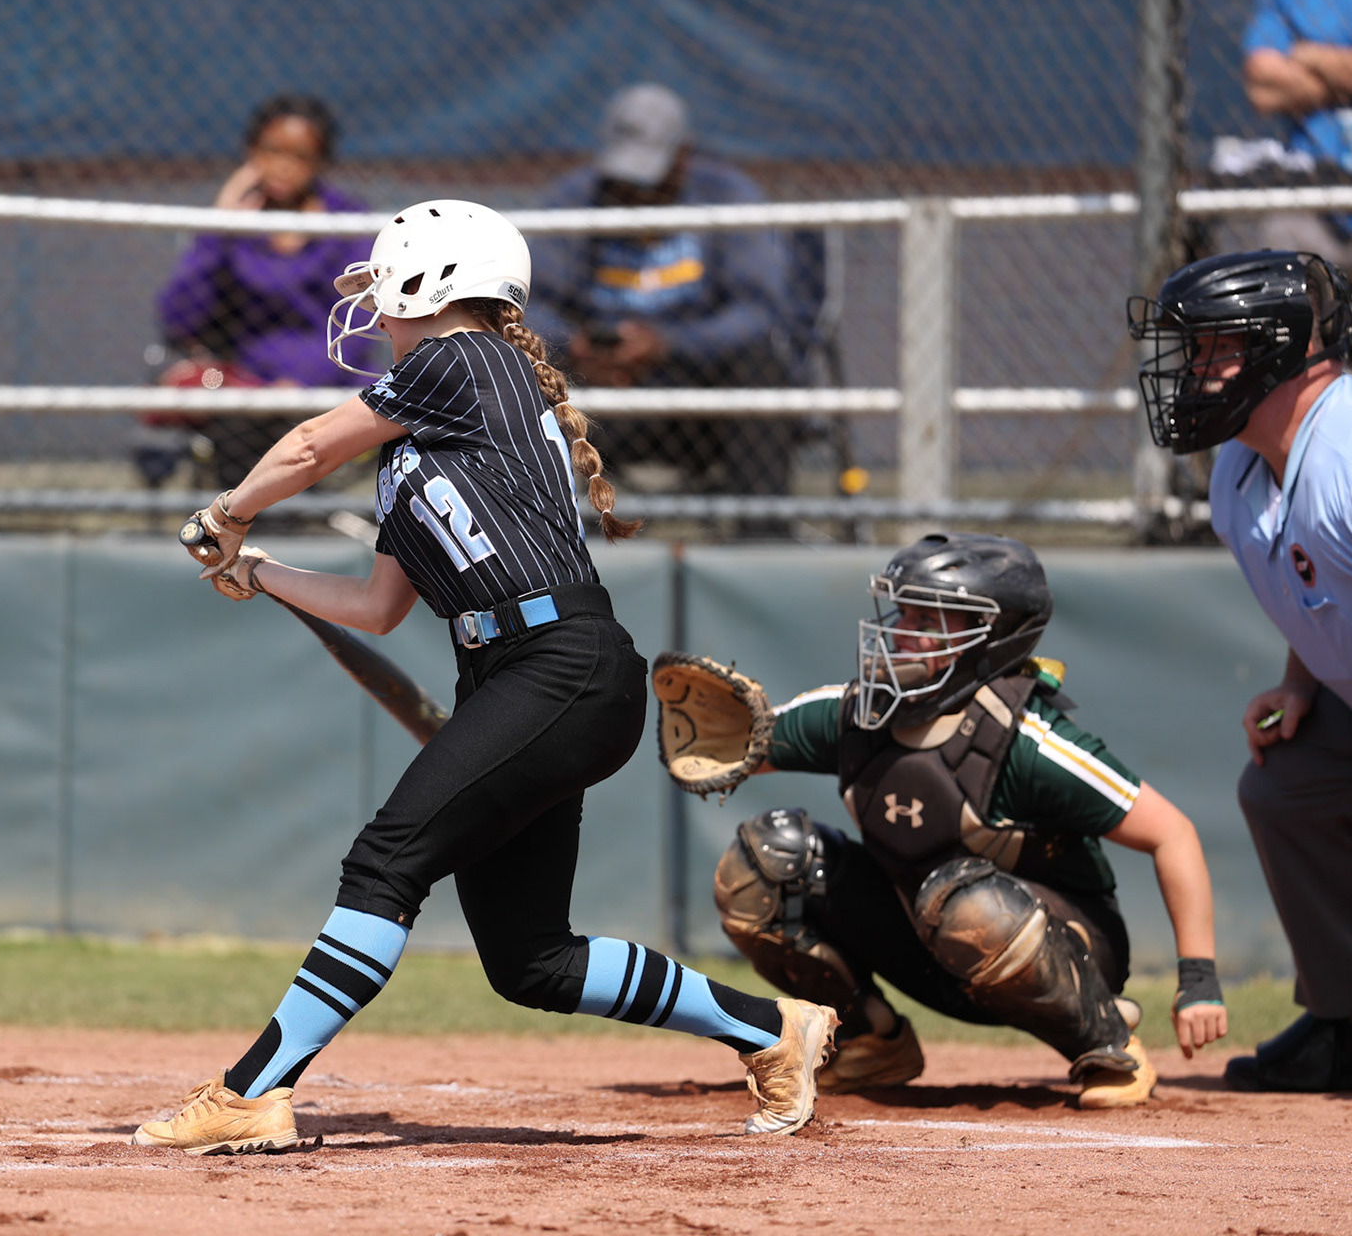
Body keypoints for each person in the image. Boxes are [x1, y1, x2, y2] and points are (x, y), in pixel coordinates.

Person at [132, 200, 836, 1156]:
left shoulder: (462, 360)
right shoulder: (424, 440)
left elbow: (305, 448)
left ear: (434, 283)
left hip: (558, 666)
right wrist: (253, 572)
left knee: (386, 863)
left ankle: (255, 1087)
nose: (376, 308)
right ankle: (772, 1029)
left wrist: (227, 513)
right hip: (519, 675)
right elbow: (381, 606)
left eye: (389, 285)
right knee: (531, 960)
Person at [711, 532, 1229, 1109]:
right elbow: (738, 746)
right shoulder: (860, 711)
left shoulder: (1029, 740)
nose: (902, 631)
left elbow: (1172, 833)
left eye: (929, 619)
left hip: (1059, 947)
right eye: (902, 610)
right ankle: (868, 1041)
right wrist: (703, 741)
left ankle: (1107, 1041)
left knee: (963, 901)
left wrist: (1199, 982)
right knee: (763, 860)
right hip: (931, 941)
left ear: (994, 639)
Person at [1130, 247, 1352, 1093]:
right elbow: (1327, 587)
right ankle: (1346, 1021)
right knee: (1285, 784)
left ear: (1282, 346)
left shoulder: (1351, 457)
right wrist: (1302, 684)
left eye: (1211, 348)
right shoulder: (1239, 468)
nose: (1193, 370)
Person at [525, 83, 805, 509]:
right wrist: (577, 346)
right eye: (624, 180)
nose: (636, 194)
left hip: (696, 397)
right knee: (520, 362)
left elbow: (758, 312)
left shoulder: (727, 195)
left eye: (648, 179)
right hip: (596, 394)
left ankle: (761, 539)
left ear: (682, 157)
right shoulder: (575, 199)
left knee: (761, 364)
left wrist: (666, 345)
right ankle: (541, 545)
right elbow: (529, 304)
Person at [151, 93, 377, 486]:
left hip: (323, 389)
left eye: (301, 156)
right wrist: (219, 229)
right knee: (240, 422)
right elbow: (178, 318)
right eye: (271, 151)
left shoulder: (347, 225)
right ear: (250, 152)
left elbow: (357, 327)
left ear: (321, 161)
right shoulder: (232, 230)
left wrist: (298, 383)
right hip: (242, 389)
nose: (283, 166)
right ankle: (237, 528)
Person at [1240, 0, 1352, 276]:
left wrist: (1311, 54)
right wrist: (1347, 77)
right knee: (1284, 245)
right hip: (1313, 191)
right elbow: (1262, 86)